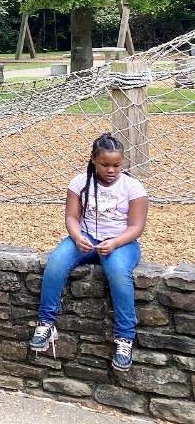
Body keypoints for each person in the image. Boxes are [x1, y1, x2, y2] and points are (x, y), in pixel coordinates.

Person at [29, 133, 148, 371]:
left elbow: (137, 227)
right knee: (56, 262)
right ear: (93, 159)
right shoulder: (79, 182)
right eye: (105, 164)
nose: (111, 170)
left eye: (116, 165)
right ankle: (46, 323)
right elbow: (72, 217)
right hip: (85, 239)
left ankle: (124, 338)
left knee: (117, 272)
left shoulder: (133, 187)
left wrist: (114, 243)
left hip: (121, 242)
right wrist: (76, 237)